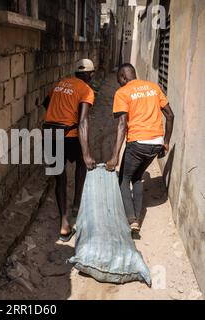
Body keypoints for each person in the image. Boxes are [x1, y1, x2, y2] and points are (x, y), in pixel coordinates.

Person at [106, 63, 175, 233]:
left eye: (119, 80)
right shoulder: (154, 87)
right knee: (137, 177)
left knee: (124, 179)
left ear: (123, 77)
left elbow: (122, 124)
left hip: (138, 143)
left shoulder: (123, 92)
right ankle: (135, 220)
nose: (119, 83)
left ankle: (131, 219)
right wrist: (165, 142)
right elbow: (170, 115)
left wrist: (115, 155)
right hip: (156, 143)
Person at [43, 59, 96, 242]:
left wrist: (58, 115)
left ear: (75, 73)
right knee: (81, 162)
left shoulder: (59, 84)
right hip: (69, 136)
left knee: (60, 178)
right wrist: (87, 153)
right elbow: (83, 121)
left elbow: (45, 103)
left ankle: (64, 225)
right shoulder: (86, 90)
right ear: (90, 75)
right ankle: (76, 204)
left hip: (49, 134)